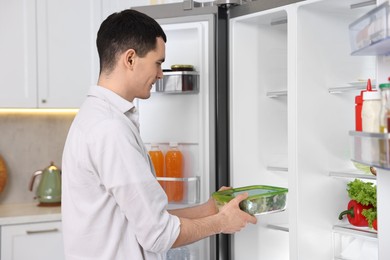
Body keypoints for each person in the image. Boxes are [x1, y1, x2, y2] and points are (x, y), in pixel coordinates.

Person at [61, 9, 257, 260]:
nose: (160, 74)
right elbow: (158, 234)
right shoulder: (110, 128)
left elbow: (148, 220)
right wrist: (221, 223)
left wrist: (209, 209)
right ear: (130, 59)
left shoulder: (97, 117)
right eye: (158, 62)